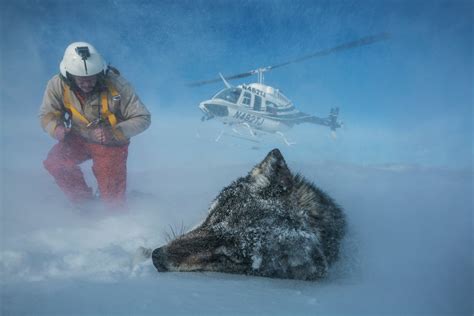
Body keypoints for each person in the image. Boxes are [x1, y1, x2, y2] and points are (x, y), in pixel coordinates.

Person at [39, 42, 151, 209]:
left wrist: (114, 132)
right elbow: (47, 114)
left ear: (100, 73)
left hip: (111, 143)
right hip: (76, 138)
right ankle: (85, 205)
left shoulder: (117, 85)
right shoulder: (57, 85)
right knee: (56, 162)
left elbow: (143, 117)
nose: (87, 84)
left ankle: (115, 217)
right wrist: (56, 129)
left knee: (112, 196)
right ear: (69, 77)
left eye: (91, 79)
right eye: (81, 80)